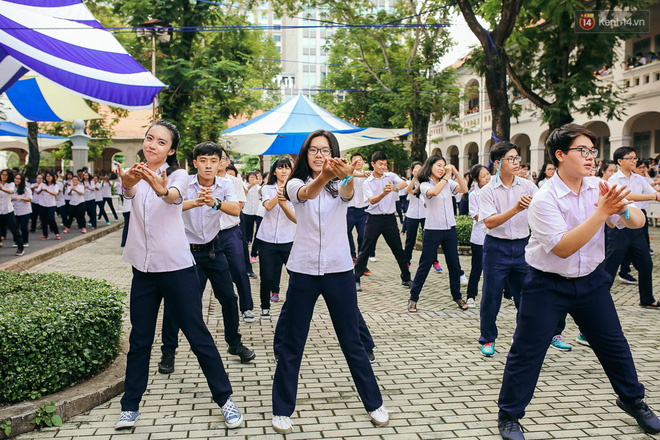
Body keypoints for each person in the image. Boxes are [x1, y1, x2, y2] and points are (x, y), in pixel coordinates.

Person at [496, 123, 660, 440]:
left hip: (591, 283)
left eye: (592, 151)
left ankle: (634, 401)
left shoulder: (598, 187)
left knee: (614, 346)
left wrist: (624, 210)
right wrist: (602, 212)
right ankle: (510, 415)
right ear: (559, 155)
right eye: (581, 150)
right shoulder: (544, 198)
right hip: (546, 285)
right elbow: (563, 247)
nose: (590, 157)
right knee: (527, 351)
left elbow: (636, 221)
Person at [115, 120, 244, 430]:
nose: (152, 145)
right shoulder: (135, 174)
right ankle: (129, 407)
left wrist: (162, 189)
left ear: (170, 150)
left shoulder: (181, 175)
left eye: (161, 142)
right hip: (143, 271)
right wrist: (128, 182)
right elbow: (128, 196)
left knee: (197, 334)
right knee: (140, 339)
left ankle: (225, 399)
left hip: (177, 268)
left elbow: (173, 196)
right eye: (149, 139)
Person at [271, 130, 388, 434]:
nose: (319, 155)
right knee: (293, 342)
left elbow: (348, 194)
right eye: (313, 150)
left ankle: (374, 402)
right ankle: (282, 409)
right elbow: (307, 194)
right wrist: (323, 176)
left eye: (325, 150)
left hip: (338, 270)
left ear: (333, 153)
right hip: (304, 269)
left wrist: (346, 175)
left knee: (352, 341)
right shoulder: (296, 182)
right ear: (305, 154)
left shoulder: (342, 183)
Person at [157, 141, 256, 375]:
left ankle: (234, 343)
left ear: (221, 162)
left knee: (229, 299)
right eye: (203, 161)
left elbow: (235, 210)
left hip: (214, 250)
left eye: (214, 160)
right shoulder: (183, 183)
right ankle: (168, 351)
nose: (209, 166)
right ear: (195, 163)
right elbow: (170, 206)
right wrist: (197, 201)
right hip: (185, 252)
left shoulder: (225, 184)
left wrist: (214, 202)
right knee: (177, 303)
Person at [478, 141, 571, 356]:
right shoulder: (488, 190)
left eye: (517, 158)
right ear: (497, 163)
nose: (516, 162)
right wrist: (516, 208)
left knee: (527, 296)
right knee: (491, 296)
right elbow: (489, 222)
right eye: (511, 159)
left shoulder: (528, 185)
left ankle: (530, 337)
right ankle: (488, 339)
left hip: (522, 246)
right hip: (496, 248)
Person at [407, 155, 469, 313]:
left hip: (450, 229)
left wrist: (456, 173)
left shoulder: (448, 183)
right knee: (425, 265)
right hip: (433, 229)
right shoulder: (425, 184)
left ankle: (457, 296)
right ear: (430, 166)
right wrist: (447, 177)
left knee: (454, 264)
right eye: (439, 165)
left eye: (444, 166)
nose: (442, 168)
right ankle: (413, 298)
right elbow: (434, 192)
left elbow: (464, 189)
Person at [603, 147, 659, 308]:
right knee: (610, 266)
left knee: (646, 263)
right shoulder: (614, 179)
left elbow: (654, 191)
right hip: (619, 227)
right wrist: (653, 196)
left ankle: (647, 299)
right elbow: (624, 196)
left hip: (637, 226)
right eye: (631, 158)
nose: (635, 161)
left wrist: (655, 194)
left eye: (635, 158)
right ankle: (600, 300)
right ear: (620, 161)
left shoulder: (639, 179)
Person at [354, 151, 412, 292]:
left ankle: (406, 277)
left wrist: (395, 187)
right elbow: (372, 200)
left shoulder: (390, 176)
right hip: (373, 219)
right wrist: (384, 193)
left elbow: (405, 183)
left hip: (390, 219)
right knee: (365, 249)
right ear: (373, 164)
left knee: (398, 249)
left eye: (385, 164)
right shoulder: (367, 182)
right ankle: (355, 278)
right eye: (380, 164)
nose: (383, 167)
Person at [216, 149, 256, 323]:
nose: (217, 162)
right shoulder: (202, 182)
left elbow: (237, 209)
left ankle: (246, 307)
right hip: (208, 235)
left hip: (230, 231)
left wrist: (215, 204)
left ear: (226, 162)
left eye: (221, 159)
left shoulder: (234, 182)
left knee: (239, 270)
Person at [256, 157, 296, 314]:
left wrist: (288, 188)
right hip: (267, 238)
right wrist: (282, 190)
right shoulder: (267, 188)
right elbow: (269, 206)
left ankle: (294, 304)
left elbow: (296, 215)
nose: (284, 171)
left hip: (289, 238)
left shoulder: (296, 188)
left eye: (287, 168)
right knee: (266, 276)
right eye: (280, 168)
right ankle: (265, 307)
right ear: (274, 171)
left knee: (295, 273)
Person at [466, 164, 490, 308]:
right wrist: (493, 217)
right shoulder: (473, 195)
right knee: (477, 268)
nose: (487, 177)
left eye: (488, 174)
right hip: (479, 237)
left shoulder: (494, 191)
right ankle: (471, 295)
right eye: (483, 176)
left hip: (494, 235)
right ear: (476, 179)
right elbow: (477, 217)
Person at [0, 169, 25, 256]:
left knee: (14, 229)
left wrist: (2, 189)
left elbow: (10, 191)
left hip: (8, 210)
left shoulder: (11, 184)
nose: (3, 176)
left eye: (6, 175)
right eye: (2, 174)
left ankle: (20, 247)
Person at [38, 171, 61, 240]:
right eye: (47, 176)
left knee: (51, 219)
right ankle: (45, 234)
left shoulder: (55, 185)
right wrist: (41, 190)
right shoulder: (42, 184)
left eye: (50, 176)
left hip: (51, 204)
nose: (48, 178)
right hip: (42, 204)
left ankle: (56, 232)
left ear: (52, 177)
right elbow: (37, 191)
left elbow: (55, 193)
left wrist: (47, 190)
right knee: (43, 220)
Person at [11, 173, 31, 250]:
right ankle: (17, 241)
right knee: (15, 227)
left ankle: (25, 241)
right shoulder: (12, 188)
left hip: (25, 210)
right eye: (16, 178)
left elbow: (30, 199)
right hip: (15, 210)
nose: (17, 180)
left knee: (23, 227)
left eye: (19, 179)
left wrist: (20, 198)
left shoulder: (26, 189)